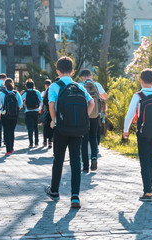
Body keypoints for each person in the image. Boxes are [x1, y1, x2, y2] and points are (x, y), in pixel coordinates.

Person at [44, 56, 94, 208]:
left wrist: (54, 121)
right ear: (72, 71)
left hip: (61, 128)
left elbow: (51, 104)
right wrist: (83, 117)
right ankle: (75, 197)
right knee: (75, 161)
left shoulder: (54, 86)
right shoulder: (79, 87)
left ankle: (54, 191)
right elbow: (91, 102)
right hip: (77, 129)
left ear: (57, 71)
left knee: (58, 160)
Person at [123, 68, 152, 201]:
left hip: (142, 133)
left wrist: (125, 130)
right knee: (150, 158)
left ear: (141, 81)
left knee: (144, 160)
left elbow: (130, 115)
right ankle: (149, 186)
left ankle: (147, 191)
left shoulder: (138, 96)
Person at [79, 70, 108, 172]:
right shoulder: (97, 84)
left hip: (83, 115)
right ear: (91, 76)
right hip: (95, 114)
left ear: (82, 77)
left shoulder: (80, 85)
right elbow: (105, 97)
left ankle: (85, 166)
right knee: (93, 137)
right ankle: (94, 158)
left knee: (84, 139)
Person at [0, 78, 23, 156]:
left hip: (5, 115)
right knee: (12, 131)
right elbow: (20, 105)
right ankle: (12, 148)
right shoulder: (16, 93)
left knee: (6, 131)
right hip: (14, 116)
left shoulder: (2, 93)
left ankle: (8, 150)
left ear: (5, 85)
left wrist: (0, 114)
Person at [21, 79, 43, 148]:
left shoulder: (25, 93)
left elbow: (20, 100)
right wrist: (40, 108)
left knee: (29, 128)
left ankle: (31, 143)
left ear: (26, 86)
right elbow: (42, 100)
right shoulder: (37, 92)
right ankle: (36, 142)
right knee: (35, 127)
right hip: (36, 111)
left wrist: (23, 105)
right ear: (33, 85)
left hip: (28, 111)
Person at [42, 79, 53, 148]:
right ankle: (50, 141)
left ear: (45, 85)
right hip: (53, 111)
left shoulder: (45, 91)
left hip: (47, 111)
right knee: (51, 127)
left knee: (45, 126)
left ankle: (45, 140)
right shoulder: (53, 90)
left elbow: (43, 101)